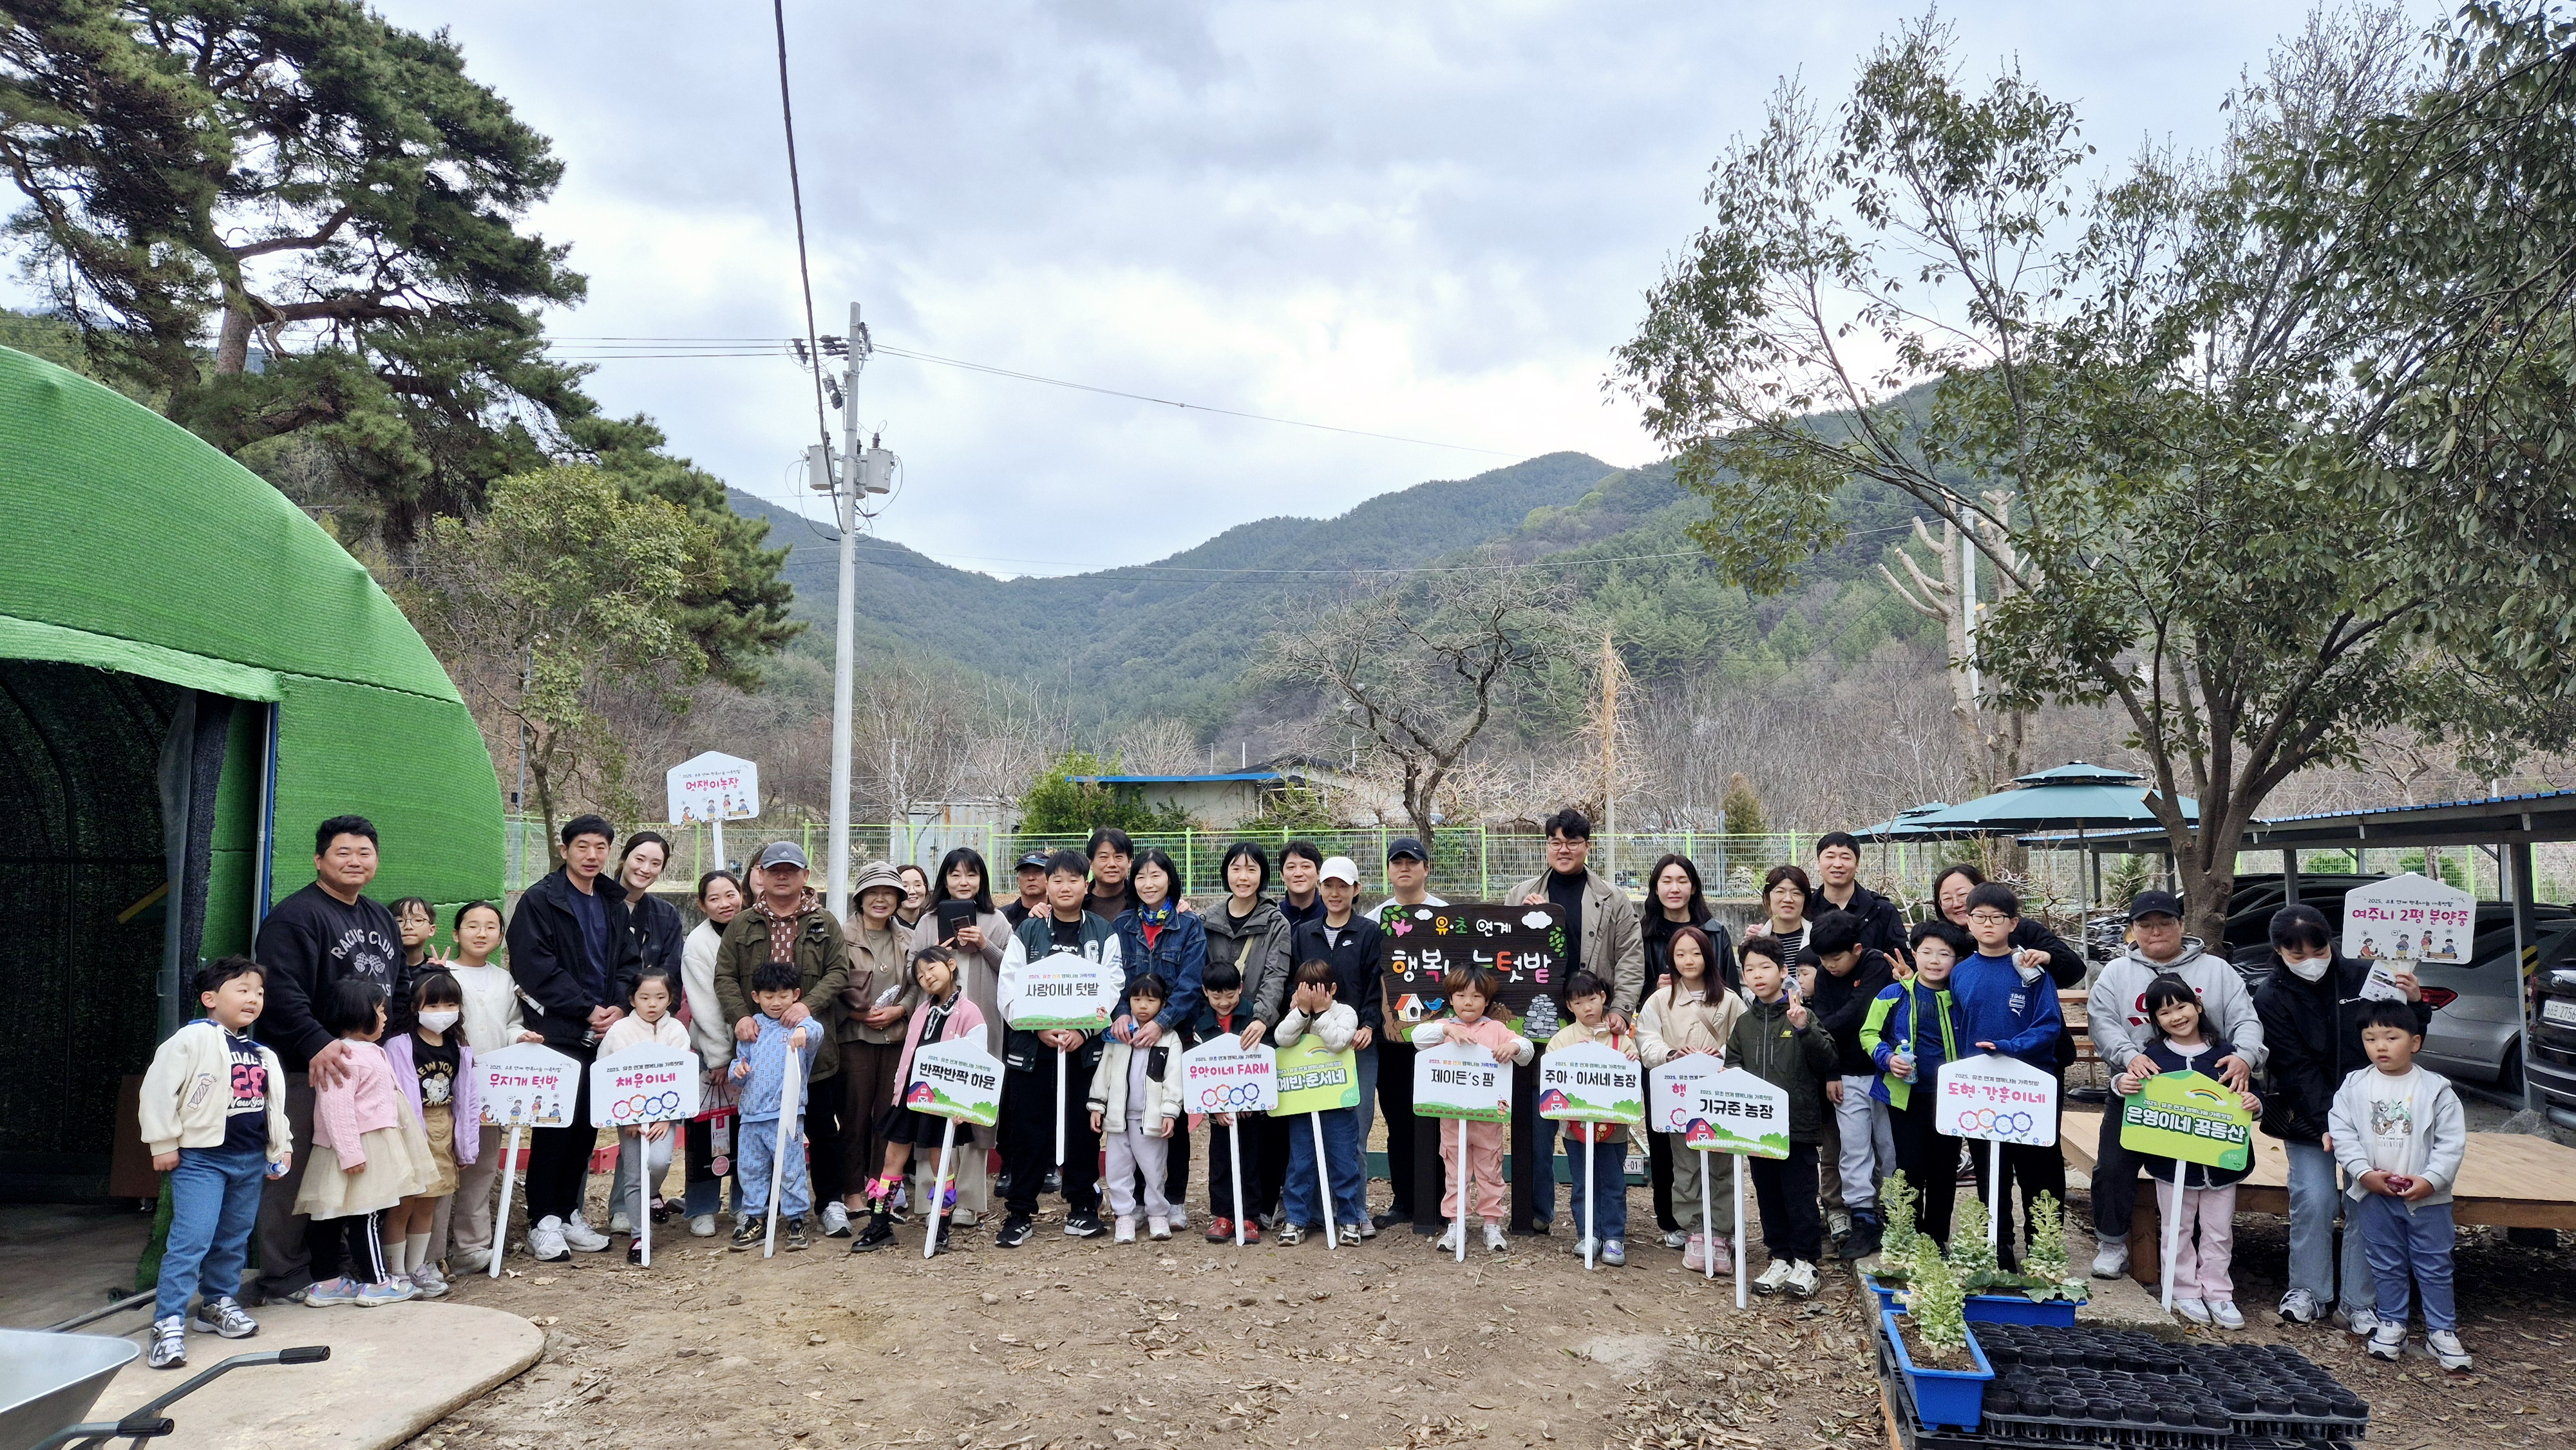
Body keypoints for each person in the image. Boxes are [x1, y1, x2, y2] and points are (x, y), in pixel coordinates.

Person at [2253, 903, 2432, 1332]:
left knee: (2367, 1200)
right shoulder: (2271, 995)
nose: (2310, 960)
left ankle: (2359, 1302)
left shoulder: (2363, 976)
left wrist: (2416, 1002)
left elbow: (2401, 1035)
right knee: (2315, 1199)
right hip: (2311, 1116)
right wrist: (2334, 1124)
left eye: (2319, 949)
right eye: (2297, 954)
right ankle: (2308, 1291)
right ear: (2279, 951)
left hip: (2378, 1114)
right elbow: (2295, 1069)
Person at [249, 814, 404, 1305]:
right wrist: (317, 1042)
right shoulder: (295, 917)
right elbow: (277, 990)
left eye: (364, 853)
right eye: (343, 852)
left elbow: (396, 987)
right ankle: (285, 1277)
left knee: (351, 1172)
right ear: (319, 859)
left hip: (361, 1070)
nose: (355, 861)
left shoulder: (379, 917)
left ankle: (336, 1270)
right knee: (292, 1175)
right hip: (306, 1068)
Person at [2083, 890, 2264, 1278]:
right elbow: (2102, 1022)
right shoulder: (2116, 973)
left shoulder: (2216, 970)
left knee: (2206, 1176)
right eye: (2145, 925)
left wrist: (2245, 1056)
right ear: (2133, 931)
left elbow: (2245, 1020)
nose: (2155, 932)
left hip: (2205, 1093)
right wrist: (2127, 1056)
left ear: (2181, 925)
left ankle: (2205, 1267)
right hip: (2139, 1089)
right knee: (2113, 1167)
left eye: (2165, 923)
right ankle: (2112, 1242)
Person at [508, 814, 645, 1263]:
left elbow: (629, 963)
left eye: (601, 847)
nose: (592, 855)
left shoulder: (611, 901)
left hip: (602, 1033)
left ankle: (569, 1214)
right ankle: (543, 1221)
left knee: (587, 1123)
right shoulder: (541, 900)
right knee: (555, 1127)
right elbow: (535, 966)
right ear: (565, 850)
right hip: (559, 1031)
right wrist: (585, 1008)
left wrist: (619, 1008)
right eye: (583, 846)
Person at [142, 957, 290, 1368]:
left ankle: (217, 1303)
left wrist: (281, 1147)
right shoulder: (190, 1041)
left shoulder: (261, 1052)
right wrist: (162, 1143)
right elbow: (157, 1093)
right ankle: (168, 1322)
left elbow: (273, 1107)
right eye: (242, 989)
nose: (253, 998)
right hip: (201, 1161)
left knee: (233, 1237)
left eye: (259, 992)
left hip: (249, 1160)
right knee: (192, 1240)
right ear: (210, 998)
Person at [1511, 809, 1643, 1235]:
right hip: (1535, 1025)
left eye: (1572, 842)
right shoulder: (1520, 894)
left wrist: (1620, 1009)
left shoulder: (1613, 899)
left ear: (1588, 846)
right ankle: (1537, 1212)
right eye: (1555, 841)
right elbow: (1501, 953)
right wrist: (1524, 923)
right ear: (1546, 845)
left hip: (1593, 1025)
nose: (1563, 850)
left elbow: (1630, 959)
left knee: (1592, 1121)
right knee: (1536, 1122)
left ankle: (1600, 1224)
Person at [712, 841, 848, 1239]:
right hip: (761, 1051)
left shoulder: (824, 922)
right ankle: (755, 1210)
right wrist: (740, 1017)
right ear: (762, 876)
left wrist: (809, 1006)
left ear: (806, 875)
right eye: (774, 870)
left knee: (823, 1126)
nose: (783, 877)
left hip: (812, 1048)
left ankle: (830, 1203)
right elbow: (724, 977)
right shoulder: (743, 924)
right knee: (757, 1134)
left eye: (791, 870)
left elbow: (839, 972)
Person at [2112, 978, 2262, 1328]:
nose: (2176, 1016)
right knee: (2176, 1227)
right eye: (2164, 1012)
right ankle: (2182, 1289)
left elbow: (2249, 1097)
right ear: (2154, 1020)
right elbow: (2131, 1091)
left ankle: (2219, 1293)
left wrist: (2254, 1104)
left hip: (2222, 1162)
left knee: (2219, 1230)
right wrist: (2121, 1084)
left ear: (2197, 1006)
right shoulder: (2153, 1056)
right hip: (2171, 1162)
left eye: (2181, 1006)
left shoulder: (2226, 1055)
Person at [2331, 1001, 2472, 1371]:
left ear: (2415, 1042)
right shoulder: (2355, 1085)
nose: (2381, 1046)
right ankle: (2392, 1323)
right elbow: (2343, 1133)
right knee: (2385, 1261)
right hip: (2376, 1193)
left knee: (2434, 1264)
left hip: (2428, 1199)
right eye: (2371, 1038)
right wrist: (2363, 1173)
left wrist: (2431, 1180)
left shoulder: (2436, 1089)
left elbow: (2451, 1142)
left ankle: (2442, 1331)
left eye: (2392, 1037)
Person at [994, 849, 1119, 1246]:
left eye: (1073, 880)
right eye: (1057, 880)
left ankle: (1083, 1204)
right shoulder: (1027, 932)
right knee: (1029, 1129)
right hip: (1034, 1050)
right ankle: (1019, 1211)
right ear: (1046, 886)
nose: (1065, 888)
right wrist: (1039, 1027)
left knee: (1084, 1129)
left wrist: (1084, 1029)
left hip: (1084, 1050)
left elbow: (1113, 985)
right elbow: (1009, 988)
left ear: (1087, 885)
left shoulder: (1103, 932)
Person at [1951, 881, 2067, 1270]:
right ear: (1967, 921)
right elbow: (1960, 1028)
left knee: (2040, 1170)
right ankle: (1997, 1249)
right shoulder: (1961, 972)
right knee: (1989, 1170)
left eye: (1997, 918)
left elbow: (2050, 1025)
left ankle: (2044, 1250)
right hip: (1980, 1088)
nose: (1987, 925)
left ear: (2013, 923)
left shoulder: (2031, 969)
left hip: (2029, 1083)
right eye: (1979, 917)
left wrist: (2010, 1047)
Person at [295, 979, 433, 1307]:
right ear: (359, 1013)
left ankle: (329, 1282)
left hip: (355, 1147)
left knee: (330, 1213)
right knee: (366, 1214)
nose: (385, 1018)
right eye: (380, 1011)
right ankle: (377, 1282)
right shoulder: (346, 1056)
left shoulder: (369, 1052)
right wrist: (350, 1152)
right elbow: (336, 1108)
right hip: (361, 1147)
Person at [853, 946, 988, 1255]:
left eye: (932, 969)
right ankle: (880, 1224)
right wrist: (899, 1090)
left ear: (951, 966)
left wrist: (963, 1106)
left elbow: (977, 1061)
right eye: (921, 976)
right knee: (892, 1158)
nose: (927, 978)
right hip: (913, 1094)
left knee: (941, 1163)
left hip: (945, 1100)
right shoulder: (922, 1011)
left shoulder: (970, 1012)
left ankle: (941, 1227)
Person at [902, 849, 1010, 1223]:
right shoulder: (929, 921)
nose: (963, 882)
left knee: (973, 1106)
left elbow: (1013, 972)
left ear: (982, 879)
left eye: (971, 875)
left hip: (980, 1025)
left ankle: (967, 1200)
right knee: (930, 1104)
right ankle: (934, 1198)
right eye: (955, 875)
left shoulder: (996, 921)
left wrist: (984, 944)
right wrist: (934, 957)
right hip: (934, 1027)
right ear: (943, 880)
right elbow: (909, 970)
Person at [1638, 853, 1734, 1248]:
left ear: (1694, 886)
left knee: (1715, 1141)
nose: (1674, 888)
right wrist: (1661, 989)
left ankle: (1720, 1227)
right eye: (1666, 880)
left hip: (1713, 1063)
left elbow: (1731, 995)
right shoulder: (1641, 932)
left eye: (1682, 880)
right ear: (1655, 887)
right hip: (1667, 1055)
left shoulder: (1715, 932)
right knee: (1669, 1140)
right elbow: (1634, 994)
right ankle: (1675, 1220)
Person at [1730, 937, 1833, 1299]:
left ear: (1782, 971)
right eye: (1750, 969)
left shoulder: (1802, 1014)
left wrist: (1804, 1028)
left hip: (1797, 1128)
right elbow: (1733, 1067)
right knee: (1768, 1193)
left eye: (1765, 967)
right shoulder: (1744, 1023)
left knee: (1799, 1195)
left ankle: (1807, 1262)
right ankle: (1780, 1257)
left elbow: (1827, 1060)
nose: (1757, 976)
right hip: (1757, 1132)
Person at [1639, 925, 1746, 1270]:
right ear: (1671, 958)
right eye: (1680, 954)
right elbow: (1645, 1038)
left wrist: (1722, 1055)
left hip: (1720, 1096)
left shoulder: (1729, 999)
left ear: (1708, 956)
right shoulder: (1660, 1000)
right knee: (1684, 1164)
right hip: (1678, 1097)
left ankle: (1723, 1232)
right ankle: (1694, 1230)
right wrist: (1670, 1055)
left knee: (1721, 1164)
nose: (1688, 960)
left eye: (1696, 953)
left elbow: (1743, 1039)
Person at [436, 901, 535, 1273]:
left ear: (500, 935)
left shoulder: (504, 979)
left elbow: (509, 1023)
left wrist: (521, 1036)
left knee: (481, 1169)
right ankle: (430, 1255)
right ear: (455, 932)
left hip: (490, 1089)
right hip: (445, 1088)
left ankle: (472, 1247)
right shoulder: (441, 974)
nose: (481, 933)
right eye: (473, 926)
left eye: (491, 926)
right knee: (443, 1168)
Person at [1201, 841, 1293, 1230]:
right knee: (1221, 1125)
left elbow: (1276, 974)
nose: (1243, 877)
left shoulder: (1276, 923)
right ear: (1226, 874)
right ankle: (1223, 1211)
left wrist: (1261, 1018)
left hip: (1256, 1031)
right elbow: (1202, 973)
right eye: (1236, 869)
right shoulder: (1208, 920)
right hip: (1216, 1032)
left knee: (1256, 1126)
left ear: (1262, 876)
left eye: (1252, 869)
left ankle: (1254, 1211)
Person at [1290, 857, 1385, 1234]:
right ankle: (1314, 1212)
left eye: (1343, 886)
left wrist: (1368, 1026)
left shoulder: (1368, 932)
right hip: (1310, 1047)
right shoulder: (1304, 933)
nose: (1334, 893)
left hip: (1355, 1047)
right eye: (1328, 886)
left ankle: (1354, 1211)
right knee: (1310, 1129)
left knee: (1354, 1133)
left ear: (1356, 890)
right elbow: (1292, 986)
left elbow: (1376, 985)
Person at [1410, 965, 1533, 1254]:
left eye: (1476, 996)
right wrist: (1447, 1028)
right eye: (1462, 995)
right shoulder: (1444, 1029)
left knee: (1490, 1169)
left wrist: (1513, 1049)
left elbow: (1526, 1049)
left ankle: (1492, 1223)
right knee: (1455, 1170)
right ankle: (1456, 1223)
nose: (1469, 1002)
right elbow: (1417, 1038)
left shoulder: (1496, 1029)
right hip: (1452, 1118)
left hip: (1488, 1119)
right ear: (1451, 998)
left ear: (1487, 1001)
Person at [1864, 921, 1971, 1245]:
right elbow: (1868, 1034)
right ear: (1914, 954)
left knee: (1943, 1171)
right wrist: (1887, 1058)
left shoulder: (1960, 996)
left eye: (1944, 954)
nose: (1934, 960)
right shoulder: (1893, 994)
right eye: (1926, 952)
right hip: (1906, 1096)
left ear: (1956, 960)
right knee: (1909, 1169)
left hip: (1950, 1098)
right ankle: (1907, 1238)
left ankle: (1936, 1240)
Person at [1115, 848, 1205, 1225]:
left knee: (1172, 1117)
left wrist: (1162, 1022)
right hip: (1129, 1038)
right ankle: (1136, 1200)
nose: (1148, 884)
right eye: (1141, 877)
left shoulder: (1189, 925)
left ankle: (1175, 1199)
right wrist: (1122, 1014)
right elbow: (1113, 977)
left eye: (1156, 876)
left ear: (1170, 879)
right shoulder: (1122, 925)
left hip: (1174, 1036)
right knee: (1133, 1116)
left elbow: (1190, 982)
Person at [1803, 909, 1899, 1261]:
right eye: (1824, 959)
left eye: (1836, 958)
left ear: (1857, 949)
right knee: (1854, 1148)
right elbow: (1826, 1027)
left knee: (1888, 1146)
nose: (1829, 966)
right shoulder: (1827, 977)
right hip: (1846, 1076)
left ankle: (1895, 1211)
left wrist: (1828, 1026)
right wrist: (1831, 1072)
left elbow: (1860, 1013)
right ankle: (1864, 1218)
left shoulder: (1876, 965)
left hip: (1885, 1072)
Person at [609, 832, 685, 1236]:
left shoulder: (666, 915)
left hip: (649, 1021)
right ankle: (595, 1209)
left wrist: (647, 1009)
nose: (645, 869)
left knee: (647, 1125)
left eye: (655, 863)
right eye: (639, 859)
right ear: (623, 859)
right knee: (613, 1119)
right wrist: (610, 1010)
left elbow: (671, 972)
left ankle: (629, 1203)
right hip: (605, 1023)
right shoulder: (599, 904)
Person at [835, 860, 915, 1236]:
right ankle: (852, 1190)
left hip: (896, 1039)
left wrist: (901, 1009)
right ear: (860, 897)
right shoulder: (841, 934)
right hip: (854, 1039)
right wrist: (858, 1013)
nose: (881, 900)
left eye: (889, 894)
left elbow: (919, 983)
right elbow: (829, 980)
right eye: (873, 893)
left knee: (889, 1116)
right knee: (853, 1117)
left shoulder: (909, 938)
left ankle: (882, 1188)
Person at [383, 970, 473, 1297]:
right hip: (408, 1128)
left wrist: (465, 1146)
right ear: (414, 1007)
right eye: (433, 1005)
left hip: (443, 1128)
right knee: (404, 1204)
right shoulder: (399, 1045)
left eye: (450, 1004)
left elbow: (466, 1098)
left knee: (429, 1204)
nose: (442, 1013)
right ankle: (395, 1272)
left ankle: (417, 1267)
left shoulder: (457, 1046)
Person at [1368, 837, 1441, 1231]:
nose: (1404, 868)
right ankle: (1405, 1200)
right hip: (1393, 1040)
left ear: (1426, 868)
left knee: (1439, 1118)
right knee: (1398, 1119)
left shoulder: (1449, 916)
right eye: (1397, 862)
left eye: (1412, 862)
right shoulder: (1375, 919)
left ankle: (1441, 1199)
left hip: (1442, 1038)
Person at [600, 966, 692, 1265]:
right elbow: (607, 1074)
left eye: (660, 997)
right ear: (632, 999)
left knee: (659, 1161)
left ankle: (653, 1194)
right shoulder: (620, 1031)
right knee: (634, 1172)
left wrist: (668, 1118)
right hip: (630, 1121)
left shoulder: (677, 1031)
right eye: (644, 997)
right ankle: (641, 1235)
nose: (652, 1004)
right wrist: (626, 1118)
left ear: (670, 999)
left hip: (665, 1117)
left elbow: (681, 1076)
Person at [1547, 970, 1640, 1265]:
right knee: (1583, 1182)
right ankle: (1588, 1234)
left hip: (1614, 1127)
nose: (1587, 1007)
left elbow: (1632, 1081)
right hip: (1575, 1128)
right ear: (1569, 1006)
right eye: (1579, 1002)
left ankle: (1614, 1237)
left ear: (1603, 998)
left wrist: (1631, 1062)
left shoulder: (1621, 1041)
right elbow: (1553, 1080)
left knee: (1613, 1182)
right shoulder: (1561, 1041)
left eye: (1592, 999)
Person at [730, 961, 821, 1252]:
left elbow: (815, 1032)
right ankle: (754, 1218)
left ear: (796, 995)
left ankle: (795, 1219)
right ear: (756, 997)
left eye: (783, 996)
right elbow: (738, 1062)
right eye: (769, 996)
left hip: (787, 1112)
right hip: (751, 1114)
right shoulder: (752, 1029)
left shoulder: (801, 1025)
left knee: (791, 1168)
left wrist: (803, 1031)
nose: (776, 1003)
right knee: (750, 1168)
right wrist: (738, 1070)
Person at [1277, 959, 1369, 1247]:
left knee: (1344, 1163)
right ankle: (1296, 1219)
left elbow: (1338, 1041)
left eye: (1318, 992)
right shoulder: (1298, 1012)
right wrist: (1302, 1011)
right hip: (1304, 1105)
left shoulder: (1345, 1012)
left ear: (1332, 989)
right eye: (1306, 992)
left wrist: (1321, 1012)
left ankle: (1350, 1220)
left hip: (1339, 1105)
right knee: (1301, 1163)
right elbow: (1282, 1038)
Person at [1090, 974, 1186, 1243]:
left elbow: (1174, 1077)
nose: (1143, 1005)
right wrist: (1098, 1105)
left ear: (1163, 1004)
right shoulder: (1118, 1034)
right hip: (1119, 1118)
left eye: (1151, 1000)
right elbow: (1104, 1072)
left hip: (1151, 1118)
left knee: (1153, 1169)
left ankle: (1157, 1214)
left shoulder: (1169, 1038)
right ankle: (1124, 1216)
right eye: (1137, 999)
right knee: (1118, 1169)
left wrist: (1170, 1111)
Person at [678, 871, 746, 1238]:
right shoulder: (699, 943)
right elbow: (704, 1004)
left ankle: (743, 1202)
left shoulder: (754, 928)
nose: (725, 904)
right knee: (708, 1128)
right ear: (702, 905)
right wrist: (720, 1056)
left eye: (731, 894)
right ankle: (701, 1206)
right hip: (714, 1049)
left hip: (753, 1046)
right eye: (715, 898)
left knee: (746, 1128)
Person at [1192, 960, 1267, 1243]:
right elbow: (1202, 1071)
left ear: (1241, 988)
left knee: (1251, 1161)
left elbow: (1262, 1063)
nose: (1224, 1002)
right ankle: (1223, 1214)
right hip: (1219, 1112)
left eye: (1230, 995)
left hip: (1251, 1111)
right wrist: (1216, 1107)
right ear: (1205, 993)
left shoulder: (1252, 1019)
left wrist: (1252, 1100)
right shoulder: (1203, 1025)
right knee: (1220, 1161)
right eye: (1216, 996)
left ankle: (1250, 1217)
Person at [1931, 864, 2085, 989]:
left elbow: (2075, 970)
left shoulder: (2021, 929)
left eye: (1963, 895)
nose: (1956, 904)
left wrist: (2048, 958)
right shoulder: (1940, 940)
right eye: (1947, 899)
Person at [1810, 833, 1908, 963]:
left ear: (1857, 866)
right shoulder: (1807, 908)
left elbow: (1903, 960)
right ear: (1818, 864)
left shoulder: (1881, 910)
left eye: (1846, 858)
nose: (1838, 864)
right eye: (1830, 857)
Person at [388, 896, 437, 1031]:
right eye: (399, 921)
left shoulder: (437, 969)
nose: (408, 926)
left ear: (432, 929)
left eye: (418, 920)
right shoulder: (381, 970)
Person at [1086, 827, 1141, 921]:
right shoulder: (1079, 902)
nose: (1112, 864)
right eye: (1104, 857)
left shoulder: (1141, 900)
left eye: (1118, 857)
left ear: (1129, 862)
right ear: (1091, 863)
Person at [1276, 840, 1326, 928]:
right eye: (1291, 867)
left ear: (1319, 873)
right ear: (1282, 875)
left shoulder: (1331, 915)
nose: (1298, 873)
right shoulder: (1273, 917)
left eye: (1306, 866)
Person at [1003, 850, 1052, 927]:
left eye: (1038, 872)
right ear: (1018, 880)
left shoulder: (1061, 914)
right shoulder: (1003, 916)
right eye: (1025, 873)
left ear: (1049, 878)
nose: (1031, 878)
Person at [895, 863, 931, 934]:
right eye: (905, 886)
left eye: (918, 885)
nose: (912, 891)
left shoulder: (931, 921)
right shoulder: (886, 924)